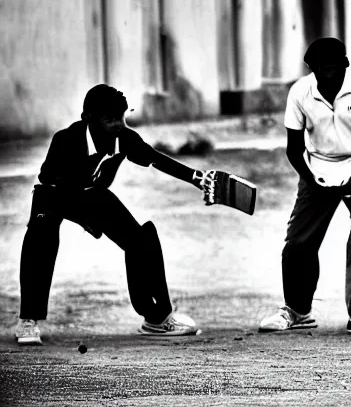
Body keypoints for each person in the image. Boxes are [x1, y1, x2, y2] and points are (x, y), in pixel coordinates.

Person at [15, 84, 207, 345]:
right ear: (89, 119)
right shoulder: (65, 140)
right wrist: (89, 222)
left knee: (141, 237)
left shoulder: (123, 137)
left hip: (91, 193)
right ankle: (28, 320)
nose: (118, 124)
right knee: (41, 236)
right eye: (110, 119)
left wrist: (197, 179)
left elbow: (155, 159)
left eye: (121, 116)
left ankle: (156, 319)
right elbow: (63, 190)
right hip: (54, 194)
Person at [259, 37, 351, 334]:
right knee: (299, 241)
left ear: (345, 64)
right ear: (313, 68)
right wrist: (312, 181)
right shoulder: (300, 92)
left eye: (334, 67)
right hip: (317, 166)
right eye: (322, 69)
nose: (328, 74)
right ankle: (296, 310)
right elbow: (293, 149)